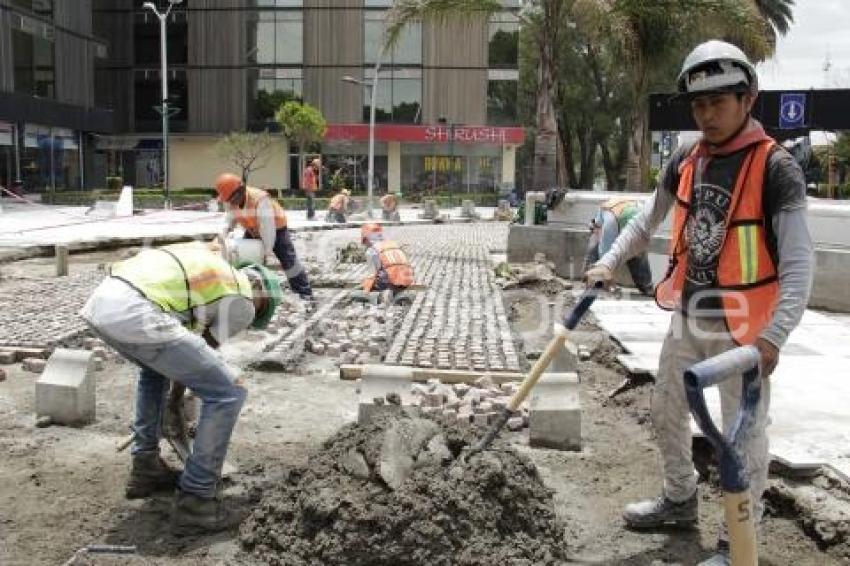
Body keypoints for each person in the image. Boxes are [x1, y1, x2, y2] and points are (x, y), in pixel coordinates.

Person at [584, 40, 813, 566]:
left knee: (744, 436)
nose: (707, 115)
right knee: (665, 408)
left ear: (747, 98)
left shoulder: (775, 168)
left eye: (719, 102)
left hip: (745, 333)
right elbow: (647, 221)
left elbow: (800, 263)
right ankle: (680, 499)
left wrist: (775, 336)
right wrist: (608, 261)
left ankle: (739, 543)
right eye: (699, 104)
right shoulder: (689, 157)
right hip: (690, 318)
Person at [80, 242, 282, 534]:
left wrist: (173, 400)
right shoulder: (245, 301)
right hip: (136, 312)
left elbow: (180, 357)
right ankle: (197, 502)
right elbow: (204, 353)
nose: (252, 318)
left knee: (153, 371)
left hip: (102, 304)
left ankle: (145, 468)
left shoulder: (213, 269)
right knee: (228, 392)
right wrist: (175, 401)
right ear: (263, 296)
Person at [215, 173, 314, 308]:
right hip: (253, 229)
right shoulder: (231, 202)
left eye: (230, 199)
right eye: (227, 200)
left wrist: (266, 251)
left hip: (276, 228)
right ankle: (251, 294)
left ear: (239, 192)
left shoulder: (260, 199)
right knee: (247, 262)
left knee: (289, 261)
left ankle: (305, 294)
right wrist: (223, 234)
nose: (229, 203)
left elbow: (267, 228)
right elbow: (229, 219)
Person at [585, 197, 654, 296]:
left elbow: (605, 254)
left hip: (622, 219)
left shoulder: (607, 219)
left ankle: (646, 286)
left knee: (637, 253)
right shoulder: (606, 216)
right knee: (637, 252)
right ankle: (597, 282)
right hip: (626, 218)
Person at [360, 223, 414, 298]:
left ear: (366, 239)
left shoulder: (371, 251)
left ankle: (387, 292)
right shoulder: (393, 244)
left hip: (389, 281)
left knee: (372, 282)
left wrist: (366, 290)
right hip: (408, 279)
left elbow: (372, 274)